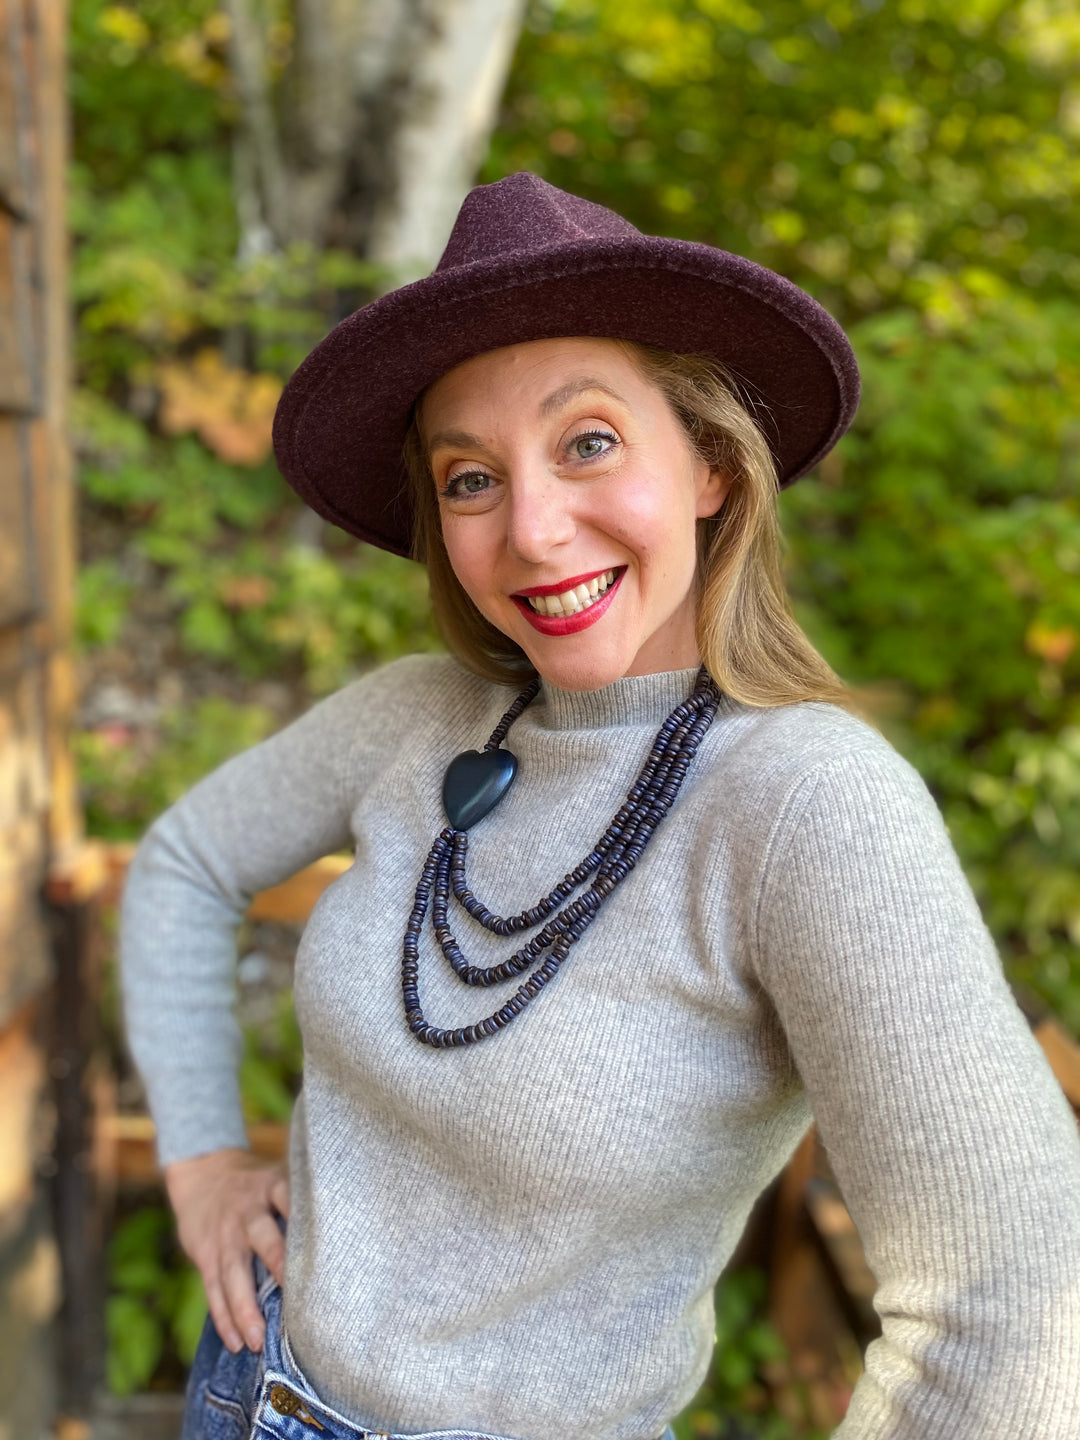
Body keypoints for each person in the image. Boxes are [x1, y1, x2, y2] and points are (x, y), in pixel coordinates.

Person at [120, 173, 1080, 1440]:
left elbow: (1009, 1301)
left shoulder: (810, 808)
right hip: (249, 1392)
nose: (532, 528)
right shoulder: (420, 712)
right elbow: (184, 861)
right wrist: (197, 1165)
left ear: (713, 468)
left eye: (588, 443)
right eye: (470, 479)